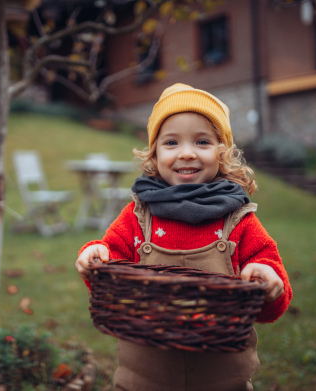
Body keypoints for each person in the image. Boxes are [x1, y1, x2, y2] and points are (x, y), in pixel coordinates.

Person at [75, 83, 292, 391]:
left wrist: (270, 281)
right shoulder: (139, 215)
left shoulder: (238, 219)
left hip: (221, 380)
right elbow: (110, 264)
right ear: (155, 153)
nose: (187, 153)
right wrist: (94, 254)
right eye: (172, 142)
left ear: (222, 153)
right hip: (143, 379)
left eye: (202, 141)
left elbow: (270, 302)